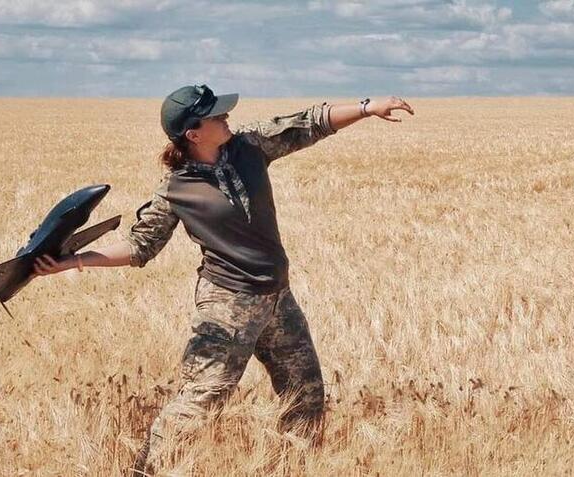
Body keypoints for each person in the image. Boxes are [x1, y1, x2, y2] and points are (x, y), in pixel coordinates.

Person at [32, 85, 414, 474]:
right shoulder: (175, 190)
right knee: (201, 399)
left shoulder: (250, 145)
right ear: (193, 134)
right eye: (216, 115)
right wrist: (74, 261)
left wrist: (368, 108)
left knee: (306, 396)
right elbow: (139, 247)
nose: (226, 116)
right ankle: (144, 471)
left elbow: (311, 121)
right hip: (227, 305)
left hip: (278, 298)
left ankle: (294, 467)